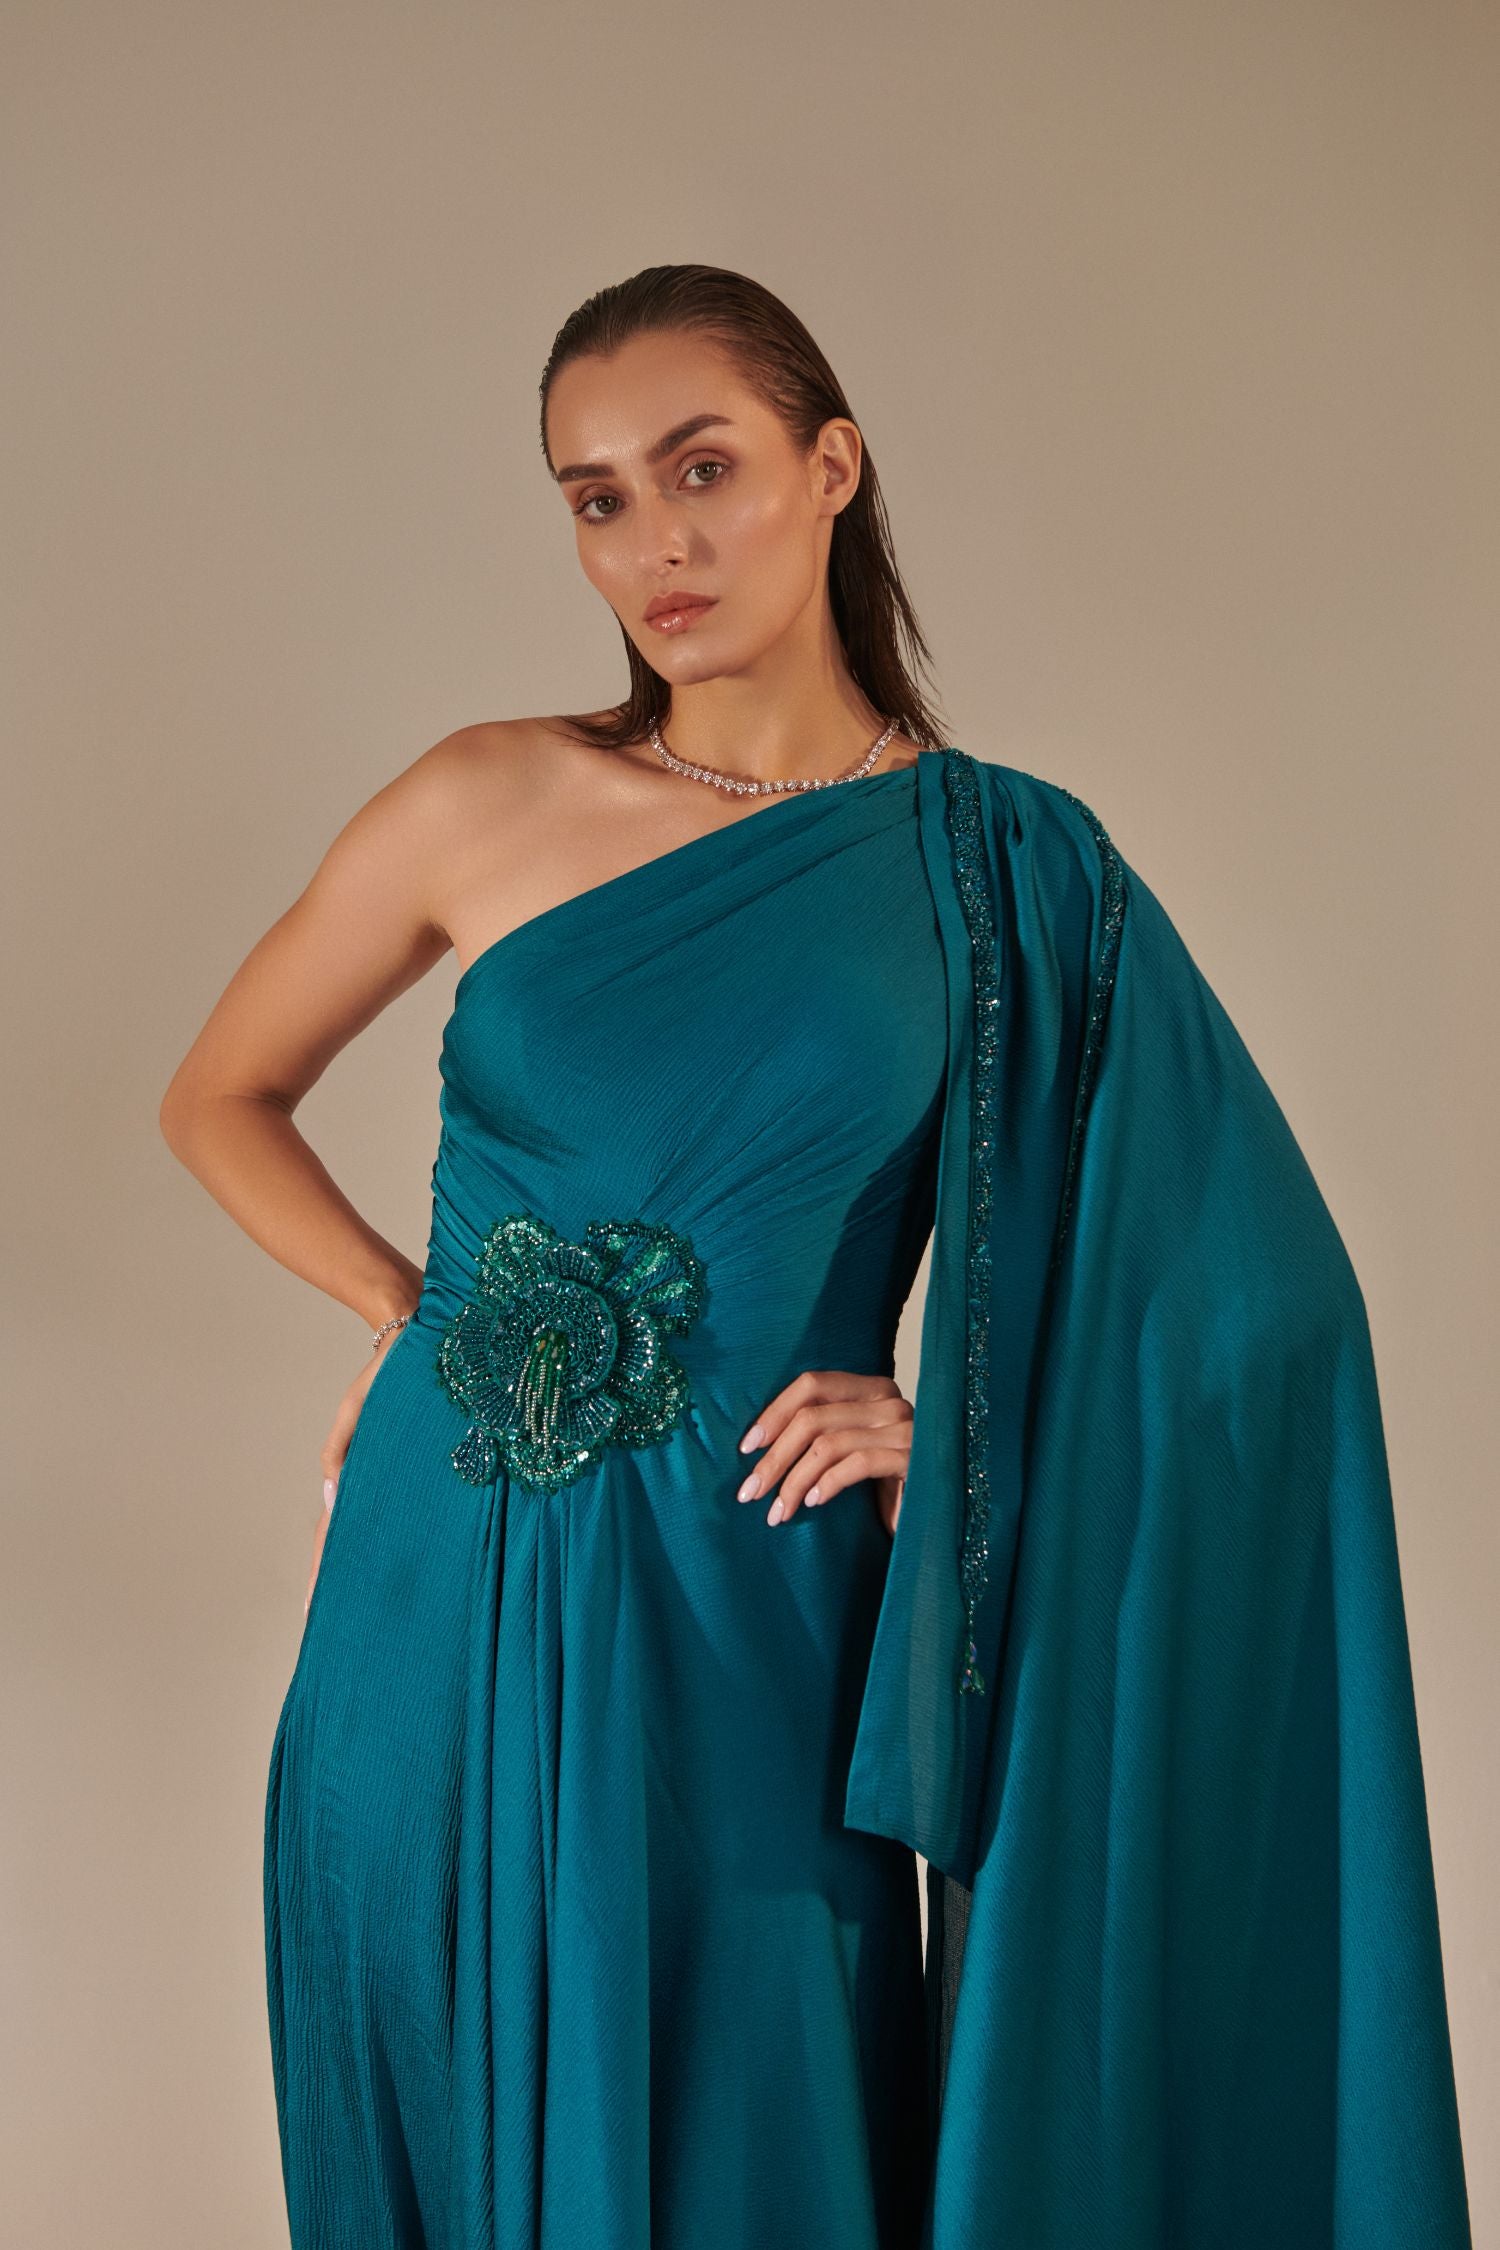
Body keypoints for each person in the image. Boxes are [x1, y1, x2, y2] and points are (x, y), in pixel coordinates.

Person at [159, 265, 1472, 2250]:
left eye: (703, 469)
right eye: (597, 497)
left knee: (762, 2133)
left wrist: (966, 1436)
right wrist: (403, 1312)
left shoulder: (1001, 869)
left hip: (754, 1627)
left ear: (831, 467)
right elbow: (221, 1095)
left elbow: (1246, 1312)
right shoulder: (483, 796)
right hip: (429, 1613)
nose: (655, 542)